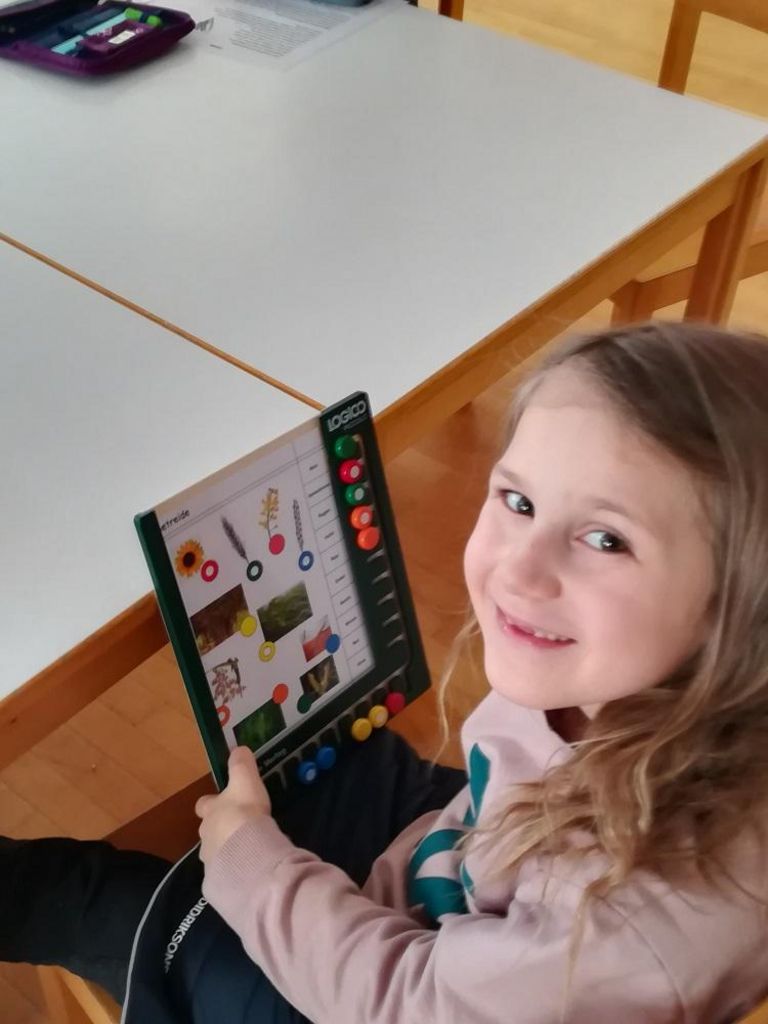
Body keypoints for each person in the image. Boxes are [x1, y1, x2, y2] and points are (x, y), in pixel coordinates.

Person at [3, 320, 768, 1023]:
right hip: (461, 869)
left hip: (396, 999)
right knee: (328, 760)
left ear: (742, 608)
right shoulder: (621, 680)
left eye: (606, 540)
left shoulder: (636, 923)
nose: (519, 569)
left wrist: (252, 864)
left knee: (94, 899)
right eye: (518, 500)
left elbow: (411, 1004)